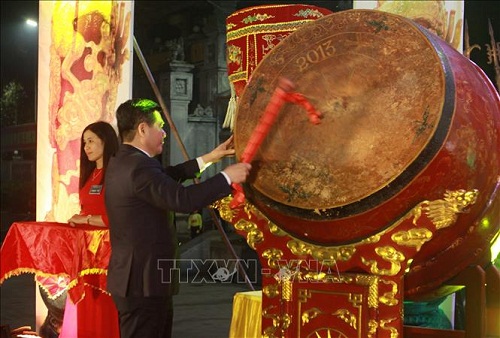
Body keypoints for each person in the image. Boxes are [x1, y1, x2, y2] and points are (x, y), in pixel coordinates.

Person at [104, 98, 252, 338]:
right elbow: (183, 200)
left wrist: (209, 158)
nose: (164, 133)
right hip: (143, 282)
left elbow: (168, 177)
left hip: (142, 280)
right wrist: (226, 177)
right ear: (143, 129)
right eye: (159, 126)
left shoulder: (127, 160)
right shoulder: (138, 167)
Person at [59, 121, 120, 337]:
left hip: (108, 255)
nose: (86, 147)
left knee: (105, 307)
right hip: (86, 256)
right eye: (85, 142)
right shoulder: (90, 174)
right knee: (85, 307)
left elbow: (117, 218)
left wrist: (85, 219)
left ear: (107, 141)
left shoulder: (116, 175)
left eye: (91, 141)